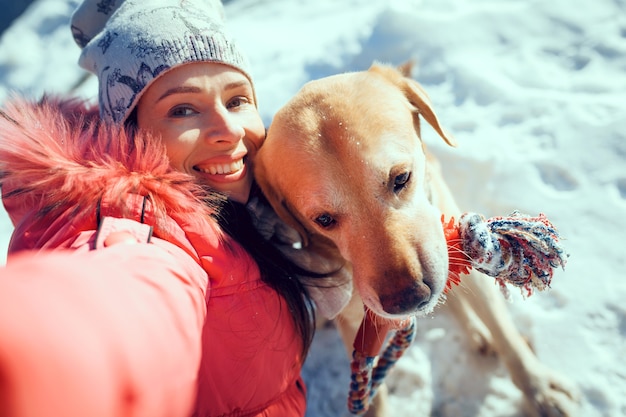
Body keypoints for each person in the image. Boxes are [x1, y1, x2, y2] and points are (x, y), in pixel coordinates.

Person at [0, 0, 349, 415]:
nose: (228, 130)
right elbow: (117, 303)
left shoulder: (244, 203)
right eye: (183, 109)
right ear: (127, 132)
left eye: (237, 100)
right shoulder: (135, 229)